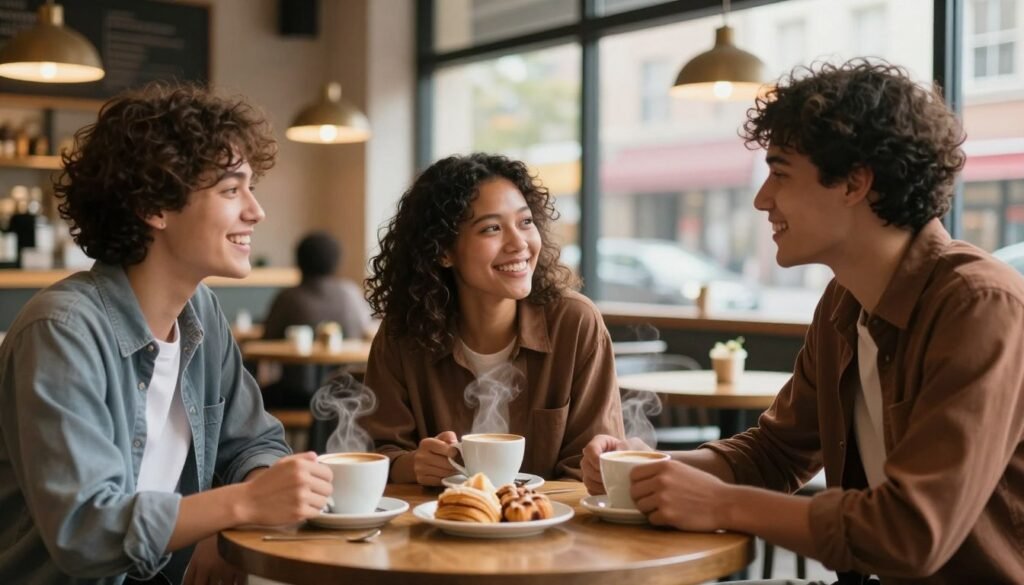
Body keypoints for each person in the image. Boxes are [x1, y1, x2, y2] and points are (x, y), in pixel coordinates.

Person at [583, 60, 1024, 584]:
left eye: (781, 172)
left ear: (855, 182)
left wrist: (723, 505)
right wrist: (655, 469)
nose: (761, 198)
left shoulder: (979, 305)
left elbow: (912, 533)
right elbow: (776, 453)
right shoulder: (845, 300)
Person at [0, 83, 332, 585]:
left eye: (251, 187)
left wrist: (229, 525)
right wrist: (237, 505)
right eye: (230, 190)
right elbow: (84, 531)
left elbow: (254, 443)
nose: (255, 211)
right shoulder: (61, 332)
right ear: (154, 207)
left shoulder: (201, 312)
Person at [362, 153, 625, 485]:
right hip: (439, 525)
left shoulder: (574, 324)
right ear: (443, 250)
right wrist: (415, 465)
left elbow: (595, 466)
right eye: (491, 228)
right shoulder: (403, 335)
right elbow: (376, 455)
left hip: (552, 526)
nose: (519, 243)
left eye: (525, 222)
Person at [261, 231, 374, 409]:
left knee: (258, 396)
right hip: (346, 393)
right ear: (336, 262)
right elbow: (367, 331)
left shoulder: (288, 297)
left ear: (298, 261)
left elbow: (267, 338)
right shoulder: (351, 294)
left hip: (295, 394)